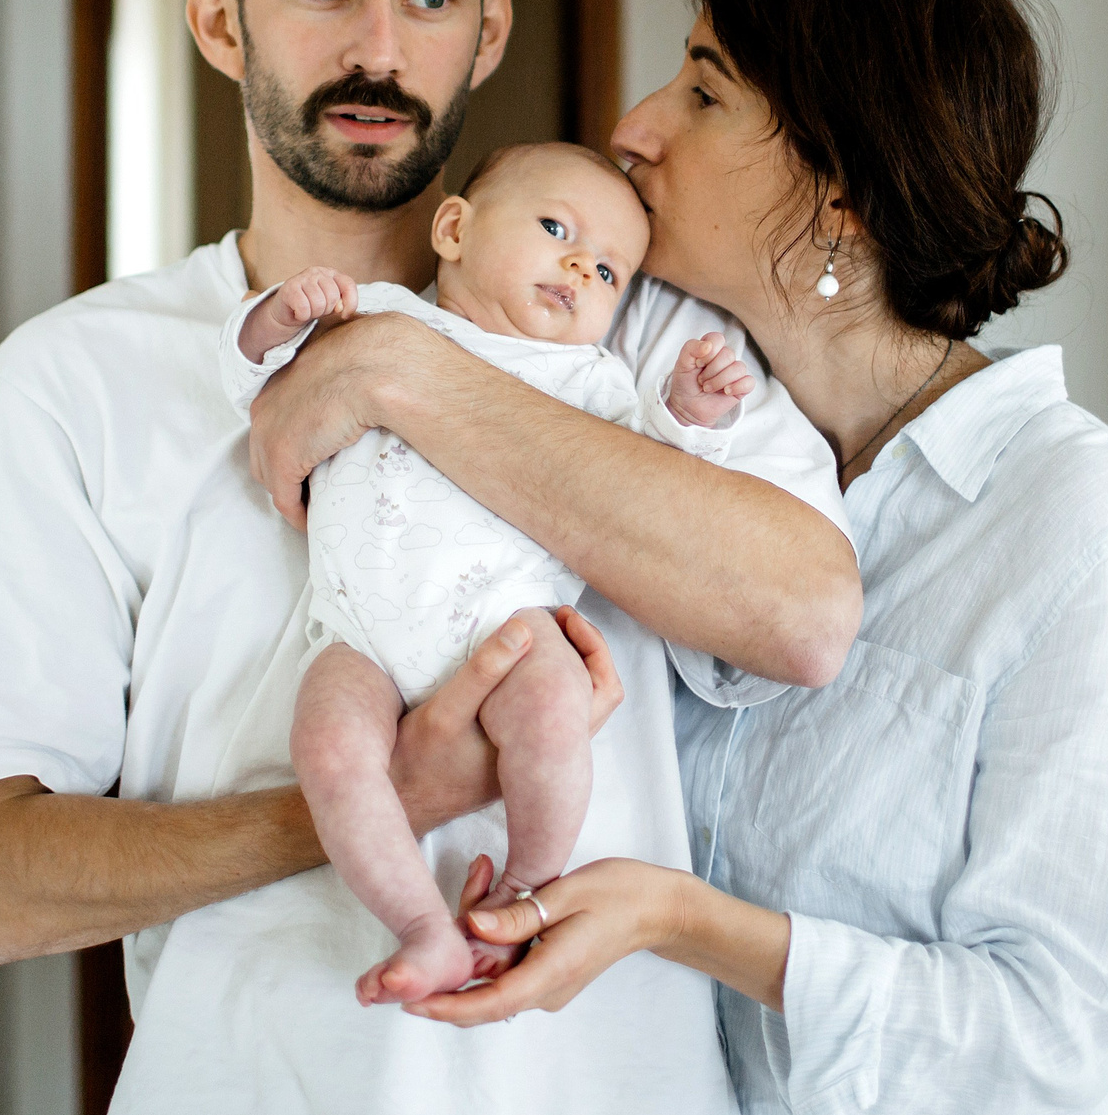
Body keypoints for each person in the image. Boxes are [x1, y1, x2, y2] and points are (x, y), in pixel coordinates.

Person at [0, 0, 860, 1115]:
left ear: (489, 29)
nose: (379, 48)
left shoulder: (640, 333)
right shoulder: (70, 385)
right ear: (217, 15)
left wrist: (404, 374)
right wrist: (368, 799)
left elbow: (806, 611)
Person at [261, 0, 1108, 1115]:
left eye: (705, 88)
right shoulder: (646, 380)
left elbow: (1080, 1027)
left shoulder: (1067, 518)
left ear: (838, 188)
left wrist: (682, 918)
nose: (638, 124)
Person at [228, 141, 755, 1005]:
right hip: (359, 631)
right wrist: (276, 320)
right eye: (557, 229)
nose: (582, 266)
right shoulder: (382, 321)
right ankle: (421, 925)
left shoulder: (593, 381)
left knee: (555, 711)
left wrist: (689, 413)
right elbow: (253, 383)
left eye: (611, 272)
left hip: (507, 626)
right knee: (327, 750)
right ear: (454, 228)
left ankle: (522, 895)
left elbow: (653, 484)